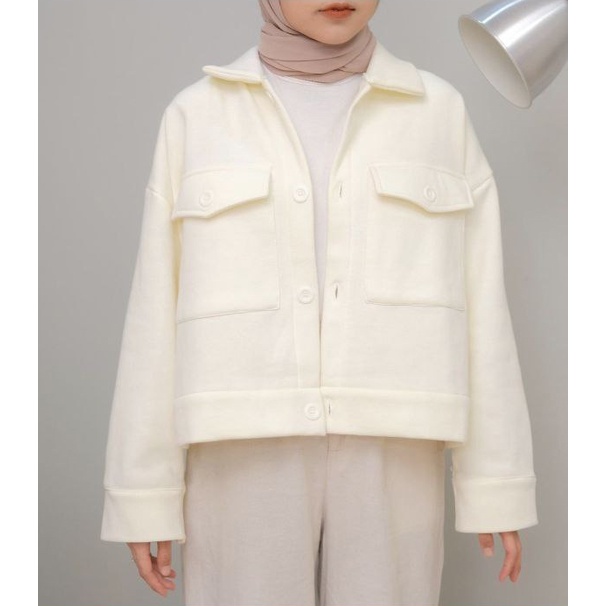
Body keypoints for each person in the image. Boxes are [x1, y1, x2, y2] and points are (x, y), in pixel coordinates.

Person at [100, 1, 538, 604]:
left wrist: (496, 482)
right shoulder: (196, 117)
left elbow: (482, 304)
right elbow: (154, 312)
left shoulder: (438, 112)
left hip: (394, 443)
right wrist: (143, 494)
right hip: (240, 447)